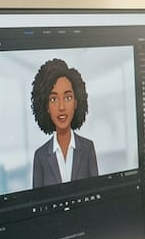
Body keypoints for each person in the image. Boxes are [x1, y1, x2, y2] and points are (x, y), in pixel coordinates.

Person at [31, 58, 99, 188]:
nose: (61, 107)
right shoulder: (40, 156)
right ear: (46, 106)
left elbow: (96, 192)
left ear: (76, 102)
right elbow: (37, 199)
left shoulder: (88, 148)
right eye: (53, 99)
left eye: (67, 98)